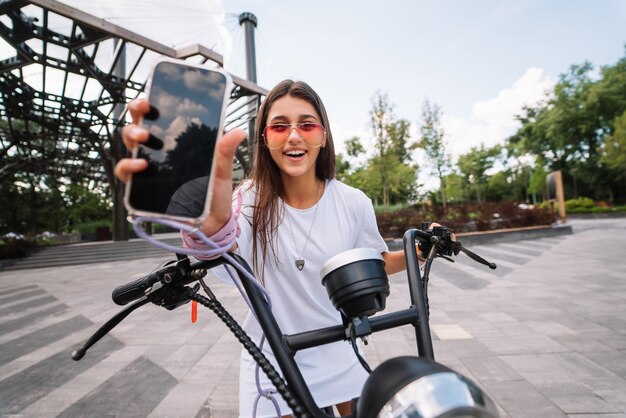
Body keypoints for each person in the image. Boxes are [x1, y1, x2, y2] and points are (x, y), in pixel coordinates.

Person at [115, 79, 427, 418]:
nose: (294, 136)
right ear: (264, 139)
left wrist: (419, 251)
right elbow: (224, 248)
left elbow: (375, 261)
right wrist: (207, 225)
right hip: (275, 355)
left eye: (306, 125)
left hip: (338, 344)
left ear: (323, 136)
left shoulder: (353, 202)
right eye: (279, 127)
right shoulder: (247, 201)